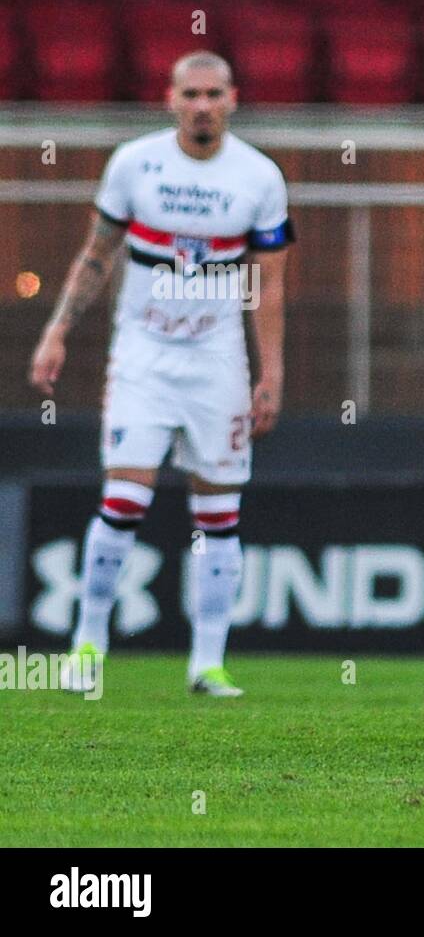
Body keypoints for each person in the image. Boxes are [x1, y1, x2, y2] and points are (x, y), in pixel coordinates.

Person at [29, 52, 294, 696]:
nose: (202, 105)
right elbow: (95, 255)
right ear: (170, 98)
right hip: (143, 355)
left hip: (217, 360)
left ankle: (207, 663)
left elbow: (270, 284)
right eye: (190, 93)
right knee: (124, 500)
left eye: (213, 93)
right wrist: (58, 329)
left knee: (220, 512)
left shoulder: (259, 177)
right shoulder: (134, 164)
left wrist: (271, 372)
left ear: (233, 98)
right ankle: (87, 646)